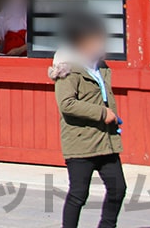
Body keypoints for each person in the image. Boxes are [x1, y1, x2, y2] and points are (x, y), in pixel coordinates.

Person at [49, 12, 125, 228]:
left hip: (106, 139)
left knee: (118, 188)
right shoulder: (67, 67)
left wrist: (111, 117)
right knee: (79, 194)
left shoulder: (100, 66)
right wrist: (103, 113)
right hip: (80, 140)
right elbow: (66, 104)